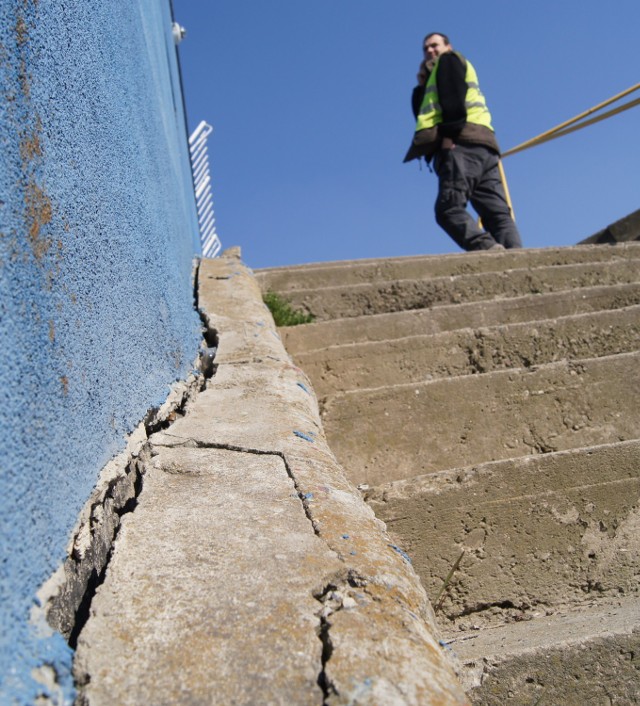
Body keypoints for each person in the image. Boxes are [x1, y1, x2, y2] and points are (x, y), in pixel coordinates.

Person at [404, 32, 522, 251]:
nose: (430, 50)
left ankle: (488, 249)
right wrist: (421, 86)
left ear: (447, 46)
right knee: (496, 213)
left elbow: (453, 99)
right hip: (484, 145)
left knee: (448, 209)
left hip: (461, 145)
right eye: (426, 48)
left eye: (434, 45)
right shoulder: (444, 69)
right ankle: (518, 258)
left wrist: (448, 137)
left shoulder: (448, 61)